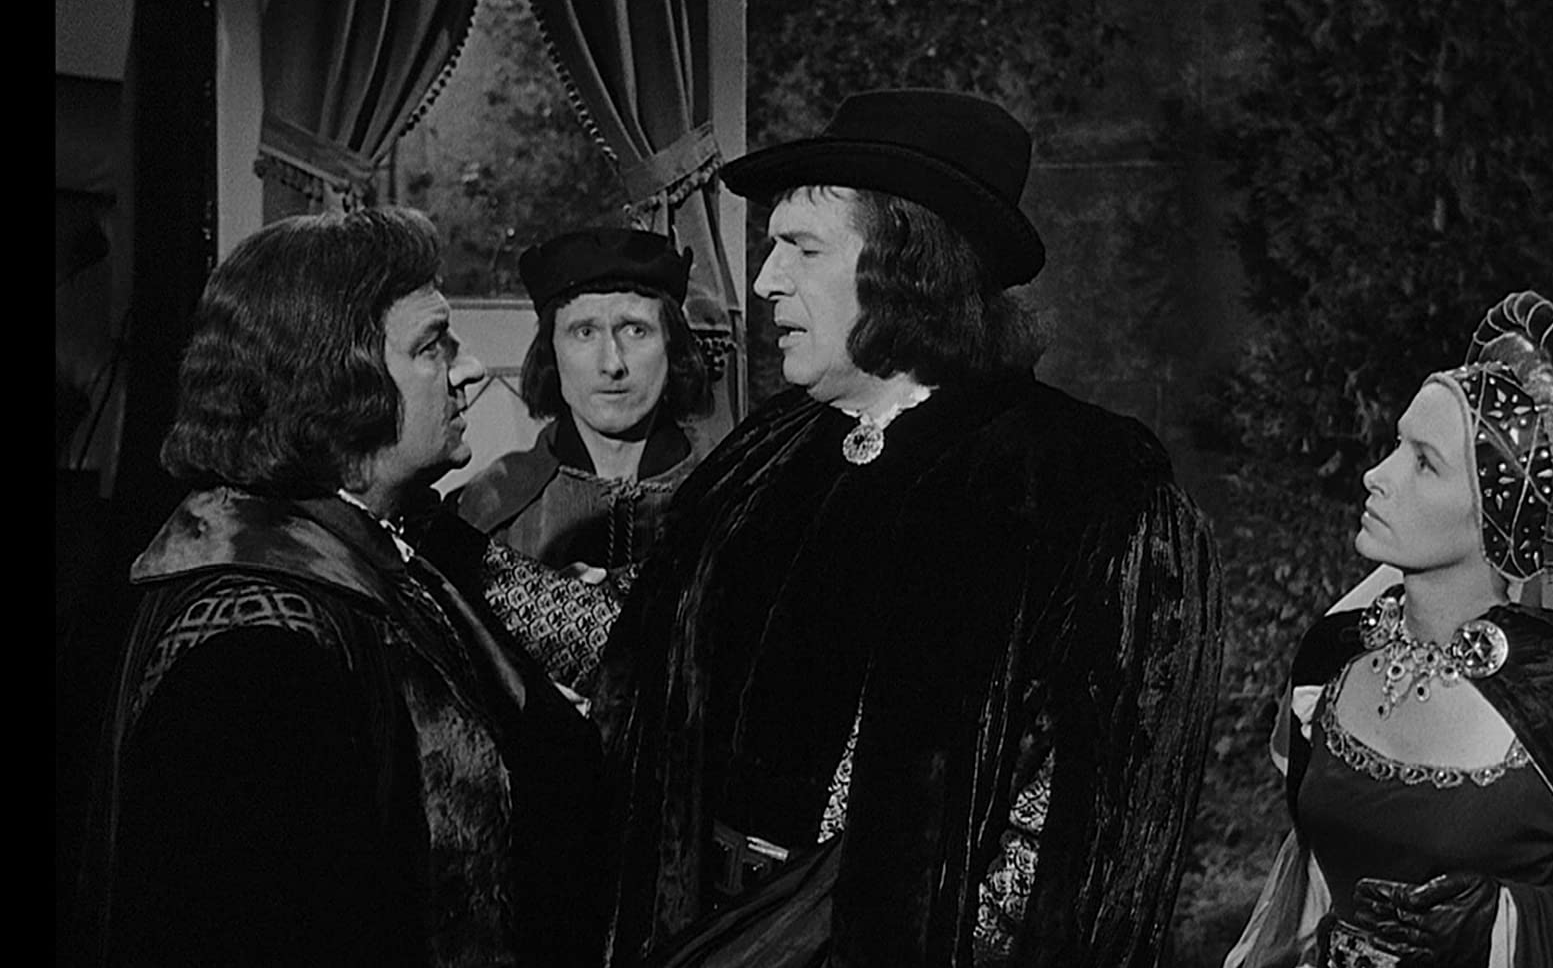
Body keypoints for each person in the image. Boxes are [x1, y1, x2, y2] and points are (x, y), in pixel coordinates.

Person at [585, 88, 1226, 967]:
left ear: (904, 264)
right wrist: (431, 548)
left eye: (801, 247)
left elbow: (1077, 823)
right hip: (706, 932)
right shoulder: (775, 446)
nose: (765, 280)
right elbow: (642, 635)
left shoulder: (1080, 482)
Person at [76, 206, 608, 966]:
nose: (468, 371)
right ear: (334, 381)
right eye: (432, 345)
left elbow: (590, 634)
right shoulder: (257, 644)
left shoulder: (394, 541)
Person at [1222, 291, 1553, 968]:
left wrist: (1504, 925)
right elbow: (1304, 888)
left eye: (1424, 462)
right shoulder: (1332, 655)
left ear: (1494, 513)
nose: (1376, 475)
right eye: (1396, 445)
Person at [446, 227, 714, 697]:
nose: (612, 364)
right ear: (551, 351)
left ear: (673, 347)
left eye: (636, 329)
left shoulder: (727, 493)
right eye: (584, 332)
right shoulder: (488, 506)